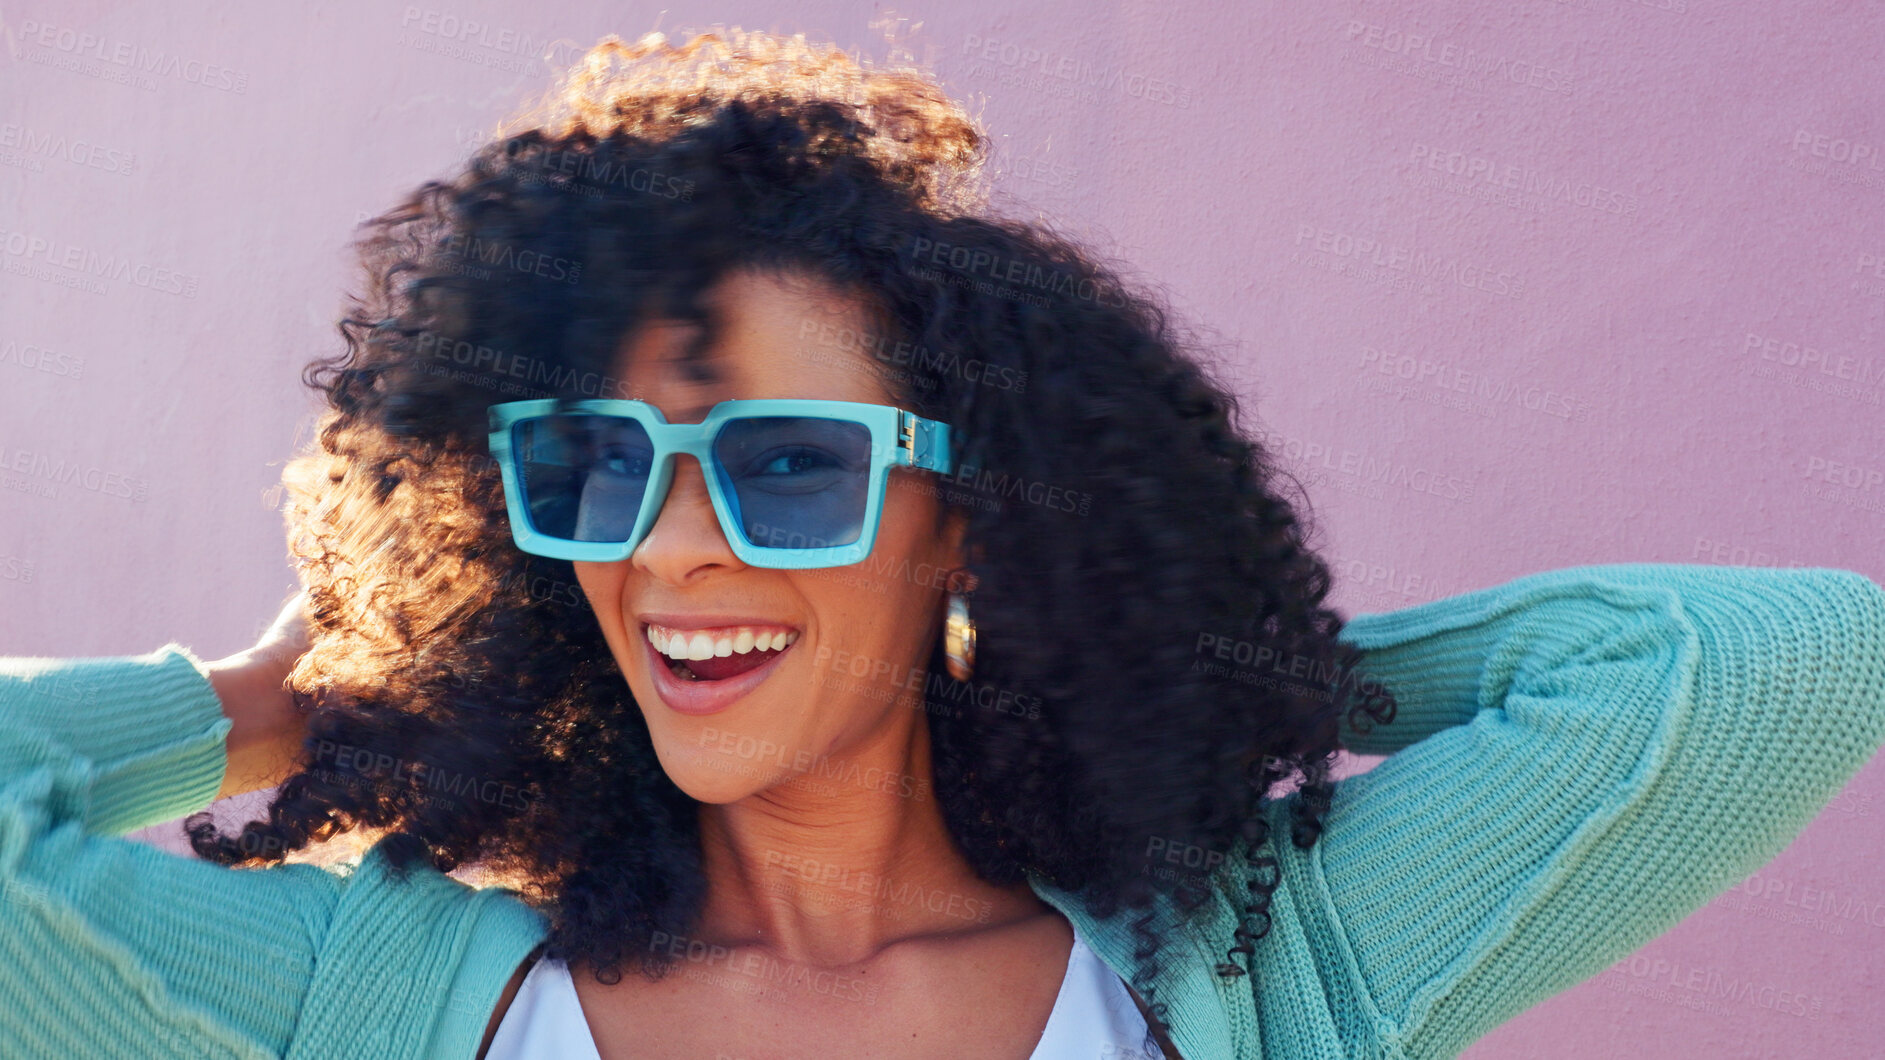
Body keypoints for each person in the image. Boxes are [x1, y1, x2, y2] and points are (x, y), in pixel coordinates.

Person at [4, 29, 1884, 1060]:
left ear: (972, 519)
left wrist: (1182, 654)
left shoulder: (1252, 974)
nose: (669, 553)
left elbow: (1775, 666)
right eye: (591, 466)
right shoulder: (370, 1001)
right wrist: (273, 703)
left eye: (789, 468)